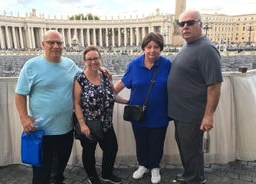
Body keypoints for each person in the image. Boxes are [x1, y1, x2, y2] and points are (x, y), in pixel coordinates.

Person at [15, 30, 82, 184]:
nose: (55, 46)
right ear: (43, 45)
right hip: (41, 131)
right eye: (51, 42)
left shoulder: (69, 64)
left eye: (59, 43)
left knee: (60, 170)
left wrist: (101, 69)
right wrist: (24, 117)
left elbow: (84, 76)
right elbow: (19, 93)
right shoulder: (31, 65)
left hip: (66, 129)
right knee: (41, 173)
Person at [167, 10, 223, 184]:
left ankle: (195, 179)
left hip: (192, 114)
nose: (185, 27)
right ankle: (189, 174)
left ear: (200, 24)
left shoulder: (206, 49)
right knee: (186, 147)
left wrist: (208, 116)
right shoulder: (189, 45)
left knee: (192, 150)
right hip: (181, 112)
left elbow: (214, 85)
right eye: (181, 24)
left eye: (190, 23)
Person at [114, 32, 171, 184]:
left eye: (156, 47)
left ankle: (155, 167)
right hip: (138, 114)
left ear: (161, 48)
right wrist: (125, 101)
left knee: (157, 142)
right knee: (141, 141)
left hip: (160, 113)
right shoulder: (134, 65)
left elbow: (176, 88)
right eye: (149, 47)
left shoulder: (167, 64)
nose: (152, 50)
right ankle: (143, 165)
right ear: (143, 48)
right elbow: (118, 86)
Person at [73, 45, 126, 184]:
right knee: (89, 152)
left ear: (100, 58)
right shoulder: (80, 79)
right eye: (89, 59)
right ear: (84, 61)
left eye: (95, 58)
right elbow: (76, 103)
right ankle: (92, 177)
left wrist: (128, 101)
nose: (93, 62)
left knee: (111, 149)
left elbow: (112, 95)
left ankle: (107, 174)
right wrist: (82, 124)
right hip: (89, 124)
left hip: (106, 124)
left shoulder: (105, 75)